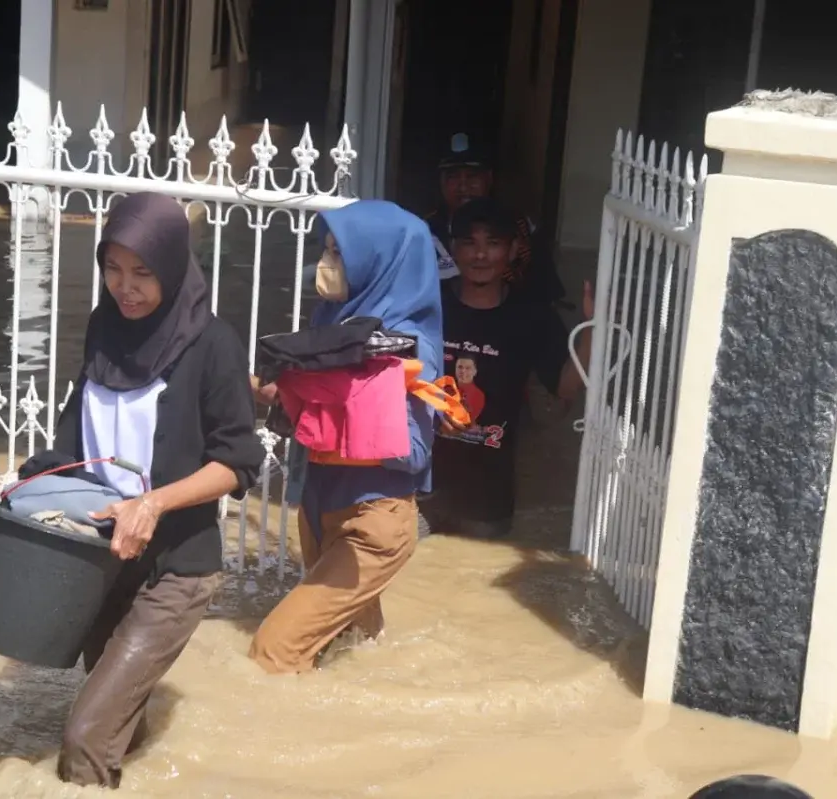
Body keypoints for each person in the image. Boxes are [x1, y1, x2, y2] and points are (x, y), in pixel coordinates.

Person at [45, 192, 264, 789]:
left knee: (85, 737)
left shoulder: (213, 344)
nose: (126, 287)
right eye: (113, 269)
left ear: (170, 264)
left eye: (142, 272)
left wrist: (154, 503)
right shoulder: (104, 327)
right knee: (120, 726)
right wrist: (27, 485)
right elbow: (77, 432)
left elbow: (238, 462)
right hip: (103, 557)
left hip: (176, 569)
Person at [248, 200, 442, 673]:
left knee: (272, 654)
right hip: (320, 510)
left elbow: (414, 453)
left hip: (372, 522)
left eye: (339, 254)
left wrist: (345, 406)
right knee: (349, 655)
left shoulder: (407, 345)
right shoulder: (331, 323)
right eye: (327, 250)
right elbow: (305, 417)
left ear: (377, 262)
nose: (326, 264)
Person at [420, 198, 592, 540]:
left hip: (487, 495)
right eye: (469, 243)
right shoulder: (428, 305)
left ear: (513, 251)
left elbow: (564, 388)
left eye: (493, 243)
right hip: (419, 484)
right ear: (453, 249)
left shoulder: (532, 315)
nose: (480, 255)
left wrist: (593, 327)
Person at [424, 132, 567, 307]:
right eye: (453, 177)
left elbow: (546, 293)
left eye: (472, 176)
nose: (463, 186)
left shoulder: (520, 227)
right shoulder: (422, 232)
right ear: (441, 183)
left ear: (489, 178)